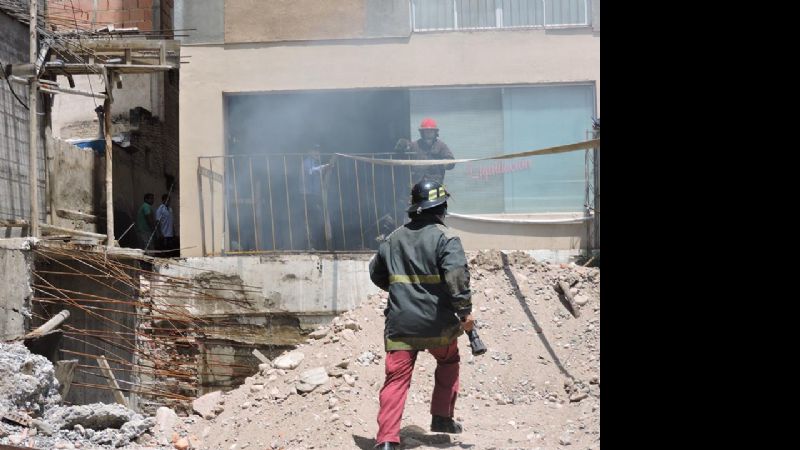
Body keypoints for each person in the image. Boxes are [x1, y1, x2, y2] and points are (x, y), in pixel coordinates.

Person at [369, 180, 475, 450]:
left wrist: (402, 293)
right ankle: (441, 418)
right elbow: (457, 279)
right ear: (441, 207)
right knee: (449, 360)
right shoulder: (447, 238)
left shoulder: (393, 238)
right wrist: (464, 312)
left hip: (401, 324)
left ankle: (386, 441)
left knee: (396, 379)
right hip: (438, 324)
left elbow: (376, 272)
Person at [408, 118, 455, 184]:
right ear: (422, 132)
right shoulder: (414, 145)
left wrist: (447, 164)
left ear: (435, 132)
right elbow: (404, 156)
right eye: (426, 131)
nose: (429, 133)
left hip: (436, 183)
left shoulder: (441, 146)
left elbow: (451, 161)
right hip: (418, 183)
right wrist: (403, 146)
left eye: (431, 131)